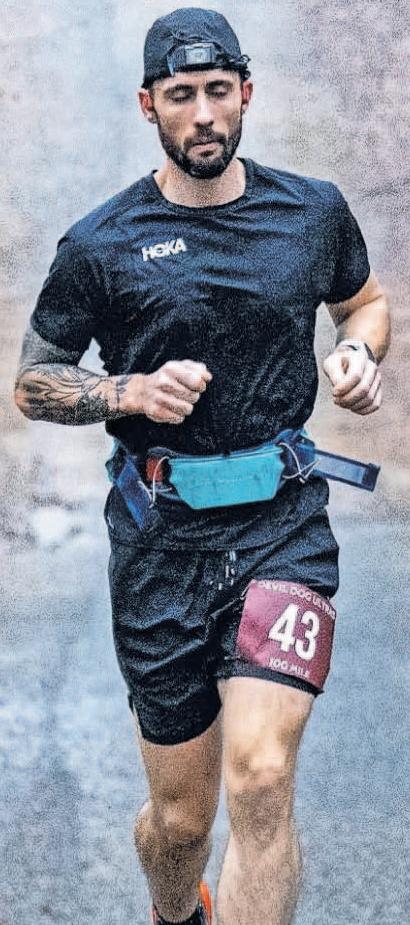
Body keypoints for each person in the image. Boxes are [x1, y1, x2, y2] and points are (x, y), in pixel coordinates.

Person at [15, 7, 390, 925]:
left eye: (219, 90)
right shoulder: (101, 244)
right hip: (162, 543)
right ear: (149, 106)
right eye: (181, 95)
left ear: (247, 93)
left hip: (283, 524)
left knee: (261, 775)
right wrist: (129, 392)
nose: (205, 113)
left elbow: (364, 301)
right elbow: (33, 380)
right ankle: (178, 908)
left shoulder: (312, 212)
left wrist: (358, 353)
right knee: (181, 821)